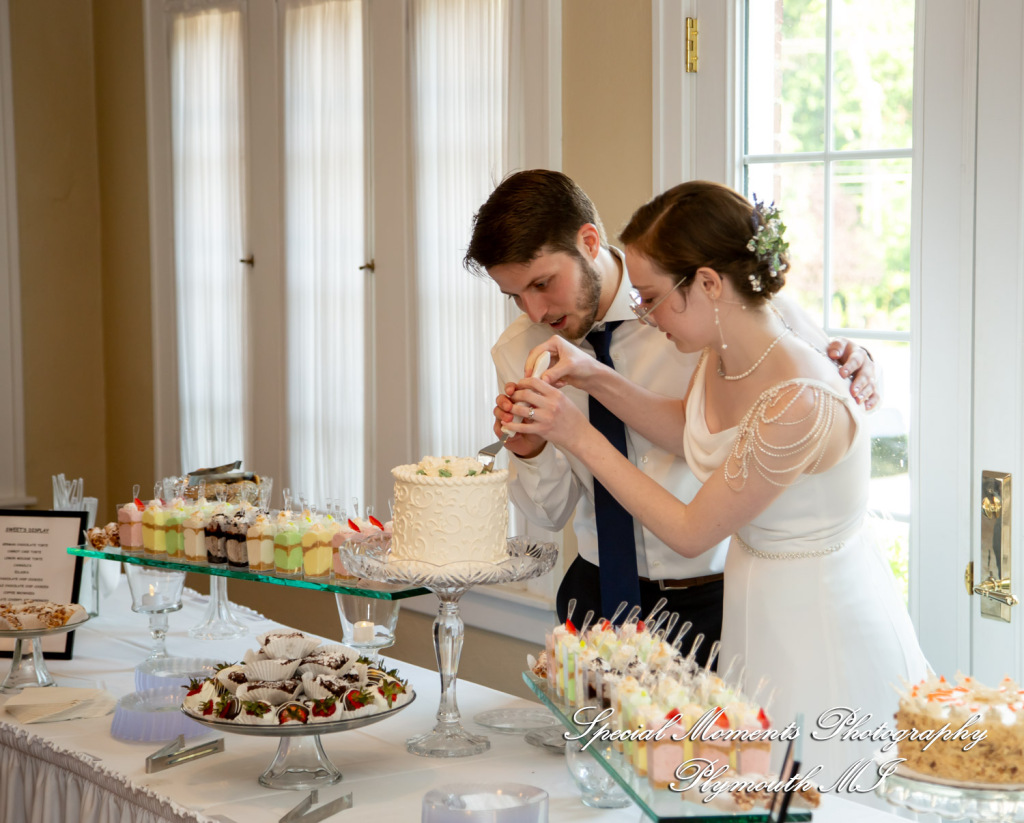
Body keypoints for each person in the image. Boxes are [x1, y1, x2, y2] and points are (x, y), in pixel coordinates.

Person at [502, 180, 928, 783]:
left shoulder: (798, 399)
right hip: (755, 604)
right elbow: (690, 430)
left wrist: (577, 434)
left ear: (706, 283)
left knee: (813, 788)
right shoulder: (723, 352)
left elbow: (691, 529)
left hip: (815, 622)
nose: (643, 314)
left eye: (651, 298)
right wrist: (593, 377)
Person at [464, 170, 877, 661]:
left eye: (542, 283)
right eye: (514, 295)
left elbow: (810, 378)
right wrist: (530, 450)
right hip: (595, 594)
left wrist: (858, 362)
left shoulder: (711, 305)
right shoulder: (519, 350)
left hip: (719, 595)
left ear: (589, 241)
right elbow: (553, 511)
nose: (533, 311)